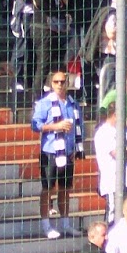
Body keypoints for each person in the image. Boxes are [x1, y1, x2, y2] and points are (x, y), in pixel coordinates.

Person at [31, 70, 82, 239]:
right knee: (48, 188)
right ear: (51, 84)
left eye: (62, 81)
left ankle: (65, 223)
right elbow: (35, 125)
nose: (60, 84)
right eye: (56, 82)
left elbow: (79, 126)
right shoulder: (44, 103)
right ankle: (46, 224)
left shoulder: (73, 103)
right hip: (50, 151)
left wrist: (76, 148)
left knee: (65, 188)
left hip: (68, 151)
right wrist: (55, 126)